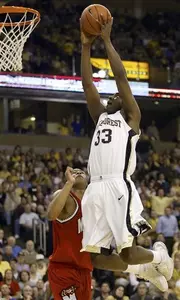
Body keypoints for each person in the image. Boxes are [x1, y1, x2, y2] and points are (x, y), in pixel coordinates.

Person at [80, 16, 173, 287]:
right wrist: (86, 46)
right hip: (94, 189)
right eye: (110, 96)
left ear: (126, 102)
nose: (112, 97)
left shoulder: (131, 117)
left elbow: (120, 77)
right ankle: (144, 268)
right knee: (97, 259)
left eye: (116, 96)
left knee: (127, 251)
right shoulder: (100, 117)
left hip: (116, 186)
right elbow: (88, 86)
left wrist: (106, 41)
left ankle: (157, 257)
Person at [47, 167, 171, 300]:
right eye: (74, 172)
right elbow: (51, 215)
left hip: (85, 270)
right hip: (63, 269)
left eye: (81, 172)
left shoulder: (95, 201)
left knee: (102, 257)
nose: (78, 173)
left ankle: (144, 268)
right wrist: (69, 183)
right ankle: (144, 268)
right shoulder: (65, 196)